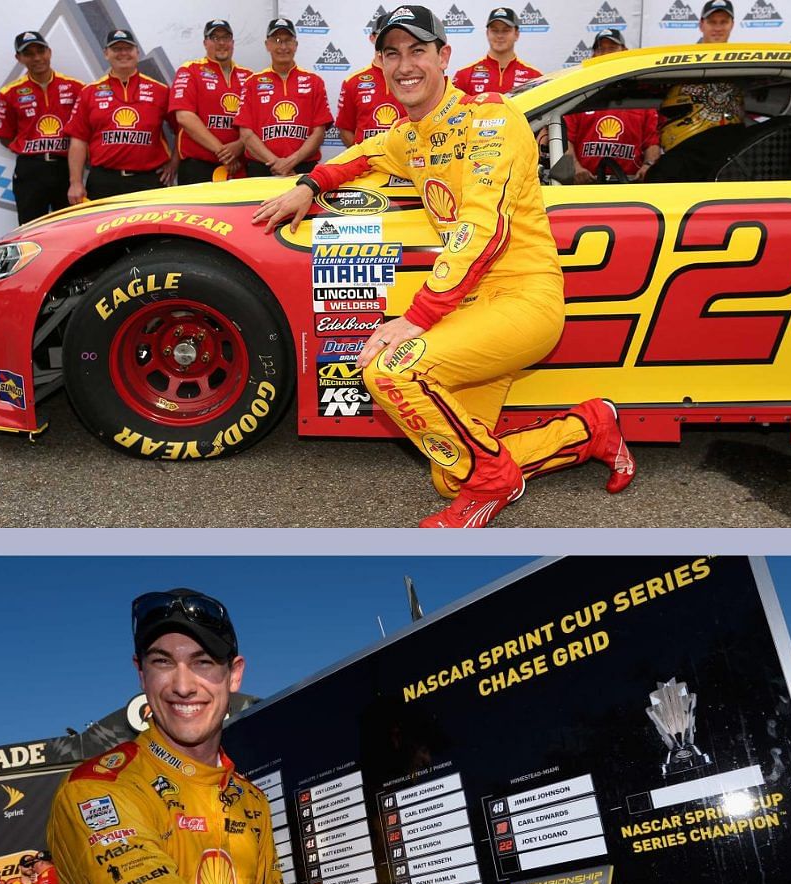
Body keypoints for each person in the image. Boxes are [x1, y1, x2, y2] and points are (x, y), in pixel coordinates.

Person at [251, 5, 636, 528]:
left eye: (418, 50)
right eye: (392, 54)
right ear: (380, 66)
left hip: (524, 299)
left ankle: (492, 483)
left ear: (445, 57)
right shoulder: (408, 135)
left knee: (390, 368)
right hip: (477, 306)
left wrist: (417, 317)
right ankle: (589, 428)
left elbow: (484, 226)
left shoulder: (493, 117)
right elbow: (360, 154)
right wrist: (309, 184)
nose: (404, 64)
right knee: (448, 473)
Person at [49, 588, 458, 884]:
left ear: (233, 674)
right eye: (163, 662)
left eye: (202, 662)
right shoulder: (99, 793)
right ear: (142, 673)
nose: (183, 684)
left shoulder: (247, 798)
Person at [66, 29, 176, 202]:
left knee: (150, 230)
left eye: (128, 48)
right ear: (106, 54)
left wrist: (174, 163)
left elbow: (182, 129)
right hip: (104, 181)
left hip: (148, 181)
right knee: (103, 229)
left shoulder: (160, 90)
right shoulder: (89, 92)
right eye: (117, 49)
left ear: (137, 52)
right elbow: (78, 140)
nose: (123, 53)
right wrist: (75, 182)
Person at [0, 31, 86, 223]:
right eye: (29, 53)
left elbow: (86, 131)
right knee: (31, 231)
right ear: (19, 58)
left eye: (41, 51)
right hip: (30, 171)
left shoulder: (76, 87)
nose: (37, 58)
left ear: (49, 52)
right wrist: (32, 150)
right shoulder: (9, 92)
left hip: (66, 169)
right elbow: (5, 136)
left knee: (70, 230)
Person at [237, 19, 331, 177]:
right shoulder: (252, 82)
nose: (283, 47)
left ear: (296, 45)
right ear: (267, 45)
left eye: (288, 41)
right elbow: (246, 133)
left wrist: (291, 162)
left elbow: (319, 132)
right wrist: (277, 163)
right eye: (277, 40)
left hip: (302, 168)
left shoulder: (314, 81)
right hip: (262, 168)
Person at [566, 29, 661, 183]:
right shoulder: (580, 95)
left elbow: (652, 142)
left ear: (624, 51)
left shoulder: (640, 98)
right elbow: (566, 139)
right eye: (601, 49)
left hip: (630, 185)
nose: (606, 54)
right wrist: (575, 167)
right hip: (586, 184)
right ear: (593, 55)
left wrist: (649, 165)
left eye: (612, 48)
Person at [169, 20, 254, 184]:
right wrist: (223, 152)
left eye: (226, 37)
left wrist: (241, 144)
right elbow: (185, 117)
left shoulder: (250, 76)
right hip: (198, 168)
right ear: (205, 43)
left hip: (239, 168)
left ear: (233, 42)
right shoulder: (190, 70)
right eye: (215, 37)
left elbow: (259, 121)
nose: (221, 43)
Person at [661, 1, 745, 153]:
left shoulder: (745, 62)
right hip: (687, 146)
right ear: (701, 25)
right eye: (712, 22)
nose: (718, 28)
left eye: (723, 22)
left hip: (730, 149)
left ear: (732, 24)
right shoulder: (682, 60)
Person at [336, 17, 403, 149]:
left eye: (393, 37)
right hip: (366, 166)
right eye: (382, 35)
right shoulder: (353, 81)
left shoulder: (412, 77)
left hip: (405, 164)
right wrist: (364, 157)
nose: (388, 41)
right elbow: (345, 130)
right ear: (372, 38)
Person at [455, 7, 543, 96]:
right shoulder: (464, 75)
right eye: (494, 30)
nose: (500, 35)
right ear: (487, 33)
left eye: (506, 30)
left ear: (516, 34)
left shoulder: (534, 76)